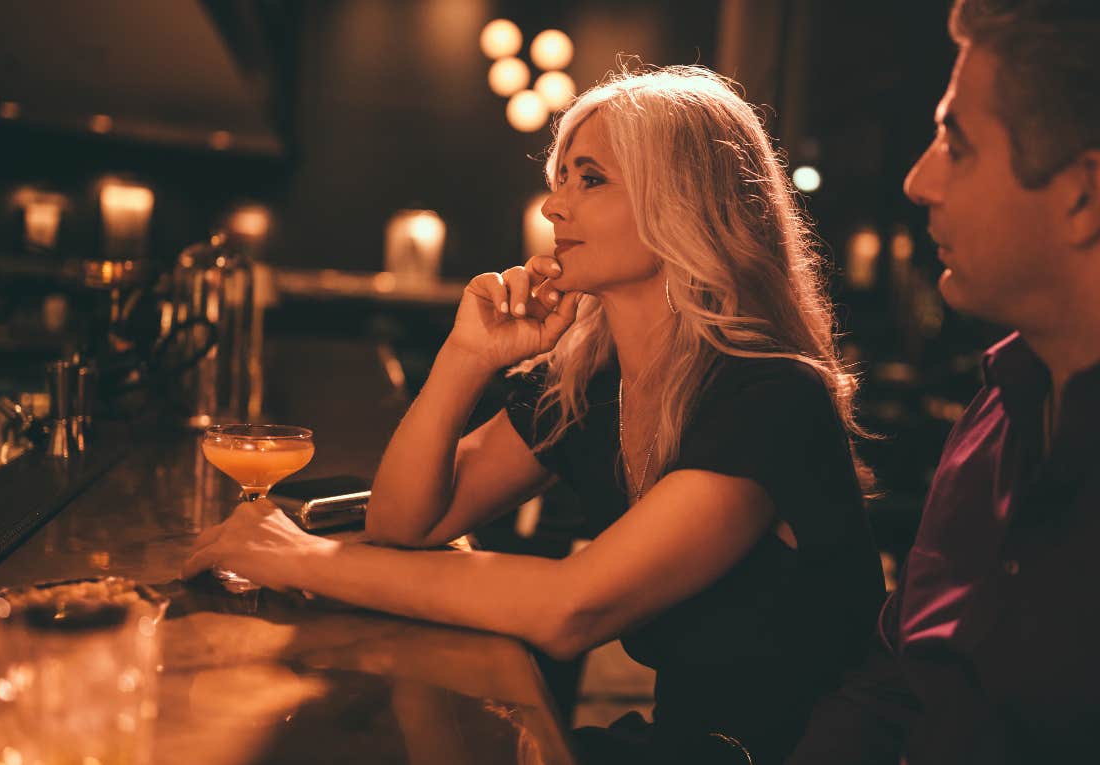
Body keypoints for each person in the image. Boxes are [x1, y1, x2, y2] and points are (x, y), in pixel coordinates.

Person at [185, 65, 886, 765]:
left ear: (683, 203)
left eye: (590, 178)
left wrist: (300, 556)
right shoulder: (589, 381)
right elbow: (407, 523)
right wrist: (465, 357)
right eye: (560, 178)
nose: (554, 207)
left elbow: (568, 609)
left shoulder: (771, 393)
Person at [787, 1, 1100, 763]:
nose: (918, 181)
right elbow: (900, 681)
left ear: (1082, 194)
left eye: (956, 144)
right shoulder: (1008, 392)